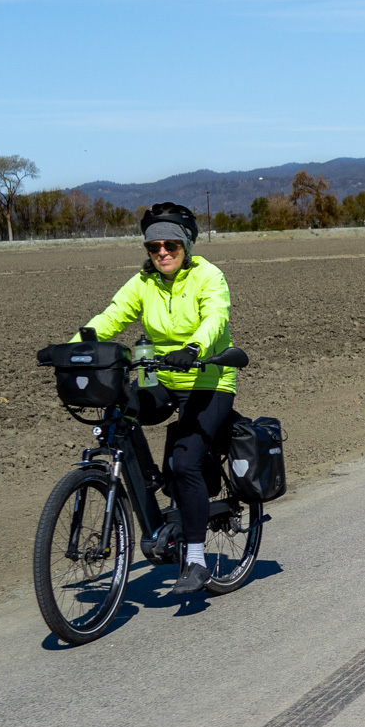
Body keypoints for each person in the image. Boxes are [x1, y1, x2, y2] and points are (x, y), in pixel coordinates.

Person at [76, 202, 236, 593]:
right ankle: (149, 480)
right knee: (120, 408)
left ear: (186, 246)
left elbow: (216, 319)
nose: (162, 252)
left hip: (207, 380)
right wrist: (72, 348)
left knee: (184, 464)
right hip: (161, 379)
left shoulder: (209, 277)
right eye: (153, 247)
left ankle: (195, 560)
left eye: (170, 245)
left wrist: (195, 348)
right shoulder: (143, 283)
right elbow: (110, 317)